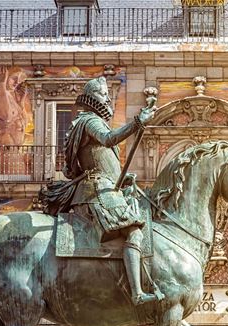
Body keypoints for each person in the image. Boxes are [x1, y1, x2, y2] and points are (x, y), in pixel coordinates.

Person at [42, 76, 161, 305]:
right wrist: (137, 122)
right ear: (96, 98)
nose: (108, 99)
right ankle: (136, 293)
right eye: (105, 95)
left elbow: (99, 160)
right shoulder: (90, 121)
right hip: (96, 191)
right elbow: (108, 140)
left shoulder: (87, 122)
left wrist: (122, 177)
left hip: (103, 186)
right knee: (134, 231)